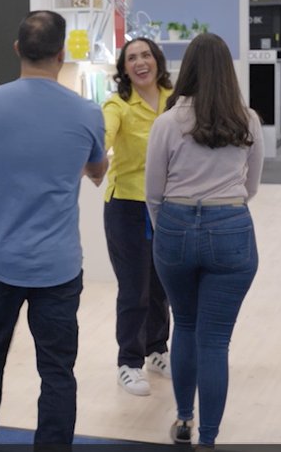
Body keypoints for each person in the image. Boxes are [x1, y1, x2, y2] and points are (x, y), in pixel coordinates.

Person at [0, 10, 108, 448]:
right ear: (60, 54)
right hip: (59, 264)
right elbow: (96, 171)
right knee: (56, 368)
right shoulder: (87, 112)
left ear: (17, 50)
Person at [144, 32, 263, 449]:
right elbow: (252, 186)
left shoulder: (166, 122)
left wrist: (171, 230)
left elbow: (153, 192)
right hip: (230, 225)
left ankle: (184, 420)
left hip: (175, 227)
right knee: (215, 340)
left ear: (187, 70)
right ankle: (208, 439)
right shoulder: (247, 120)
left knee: (186, 325)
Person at [101, 37, 173, 397]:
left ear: (157, 60)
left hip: (169, 206)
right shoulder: (118, 105)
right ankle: (129, 362)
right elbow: (104, 135)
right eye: (132, 58)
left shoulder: (176, 102)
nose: (140, 62)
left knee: (163, 286)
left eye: (146, 55)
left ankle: (157, 350)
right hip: (128, 206)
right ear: (124, 69)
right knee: (135, 289)